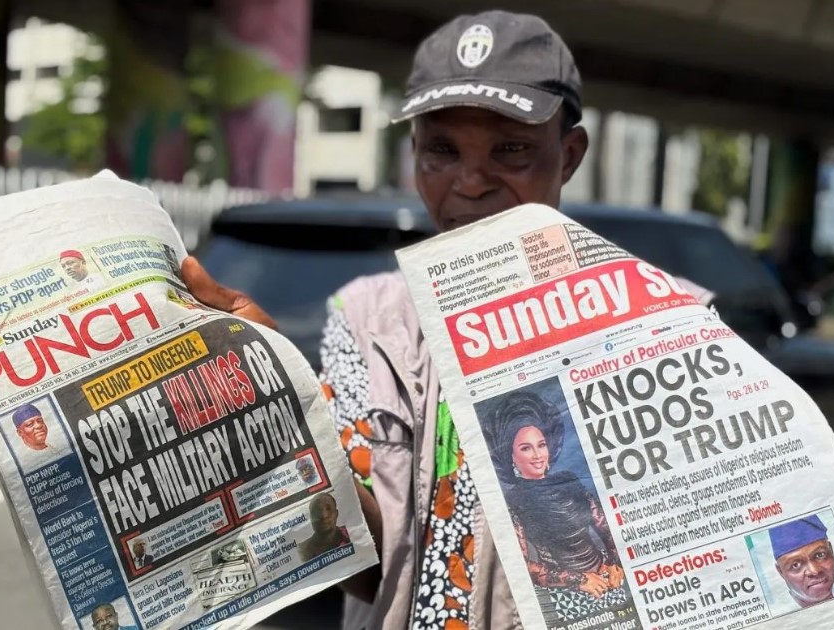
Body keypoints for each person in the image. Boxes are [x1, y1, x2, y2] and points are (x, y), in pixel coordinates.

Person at [180, 10, 713, 629]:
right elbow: (370, 568)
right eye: (442, 150)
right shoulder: (367, 319)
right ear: (414, 154)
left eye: (511, 149)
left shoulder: (665, 319)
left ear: (568, 155)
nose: (471, 182)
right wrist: (279, 409)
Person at [483, 391, 629, 622]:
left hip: (607, 573)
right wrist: (579, 580)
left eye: (541, 445)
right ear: (511, 456)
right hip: (566, 591)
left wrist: (614, 562)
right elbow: (521, 564)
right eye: (526, 448)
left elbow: (604, 525)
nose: (537, 455)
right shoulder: (514, 501)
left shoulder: (569, 480)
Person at [770, 515, 834, 609]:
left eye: (820, 555)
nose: (814, 571)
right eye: (796, 565)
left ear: (831, 551)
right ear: (781, 572)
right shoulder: (779, 613)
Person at [299, 493, 352, 562]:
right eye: (317, 510)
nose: (324, 515)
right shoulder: (301, 551)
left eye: (328, 509)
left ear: (336, 514)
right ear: (311, 517)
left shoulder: (351, 532)